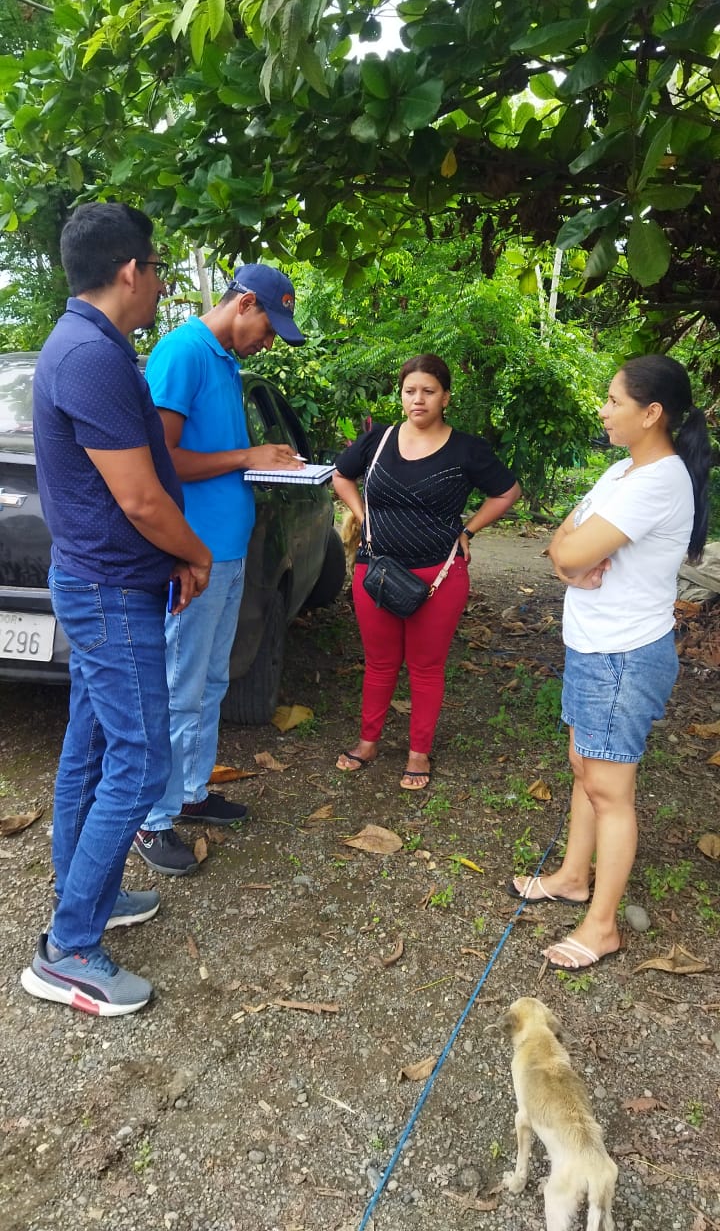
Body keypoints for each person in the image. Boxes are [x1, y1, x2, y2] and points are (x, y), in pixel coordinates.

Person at [21, 202, 213, 1017]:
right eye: (158, 269)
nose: (161, 284)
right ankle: (68, 949)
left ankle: (84, 892)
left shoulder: (90, 345)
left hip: (105, 581)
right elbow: (139, 498)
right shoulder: (90, 357)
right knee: (139, 762)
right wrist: (195, 553)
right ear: (131, 270)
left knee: (91, 747)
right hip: (109, 591)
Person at [510, 355, 711, 971]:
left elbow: (573, 550)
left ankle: (602, 928)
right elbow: (560, 544)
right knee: (584, 767)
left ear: (652, 414)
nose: (603, 410)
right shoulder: (623, 469)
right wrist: (566, 556)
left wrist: (569, 555)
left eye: (614, 401)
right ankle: (574, 877)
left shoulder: (658, 481)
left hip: (623, 655)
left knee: (610, 788)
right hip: (595, 646)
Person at [132, 265, 305, 876]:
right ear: (245, 302)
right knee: (177, 686)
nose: (268, 341)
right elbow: (163, 460)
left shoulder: (225, 360)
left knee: (209, 682)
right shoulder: (183, 352)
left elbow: (218, 455)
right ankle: (152, 818)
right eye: (268, 327)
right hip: (192, 553)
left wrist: (263, 463)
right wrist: (246, 456)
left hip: (226, 552)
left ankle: (191, 792)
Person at [333, 353, 521, 789]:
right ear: (401, 396)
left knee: (426, 666)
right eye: (410, 391)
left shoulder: (466, 449)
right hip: (375, 571)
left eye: (429, 391)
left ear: (446, 397)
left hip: (438, 575)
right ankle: (368, 742)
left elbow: (507, 492)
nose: (418, 400)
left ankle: (419, 752)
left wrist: (468, 530)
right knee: (379, 663)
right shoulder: (379, 439)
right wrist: (362, 515)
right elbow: (341, 476)